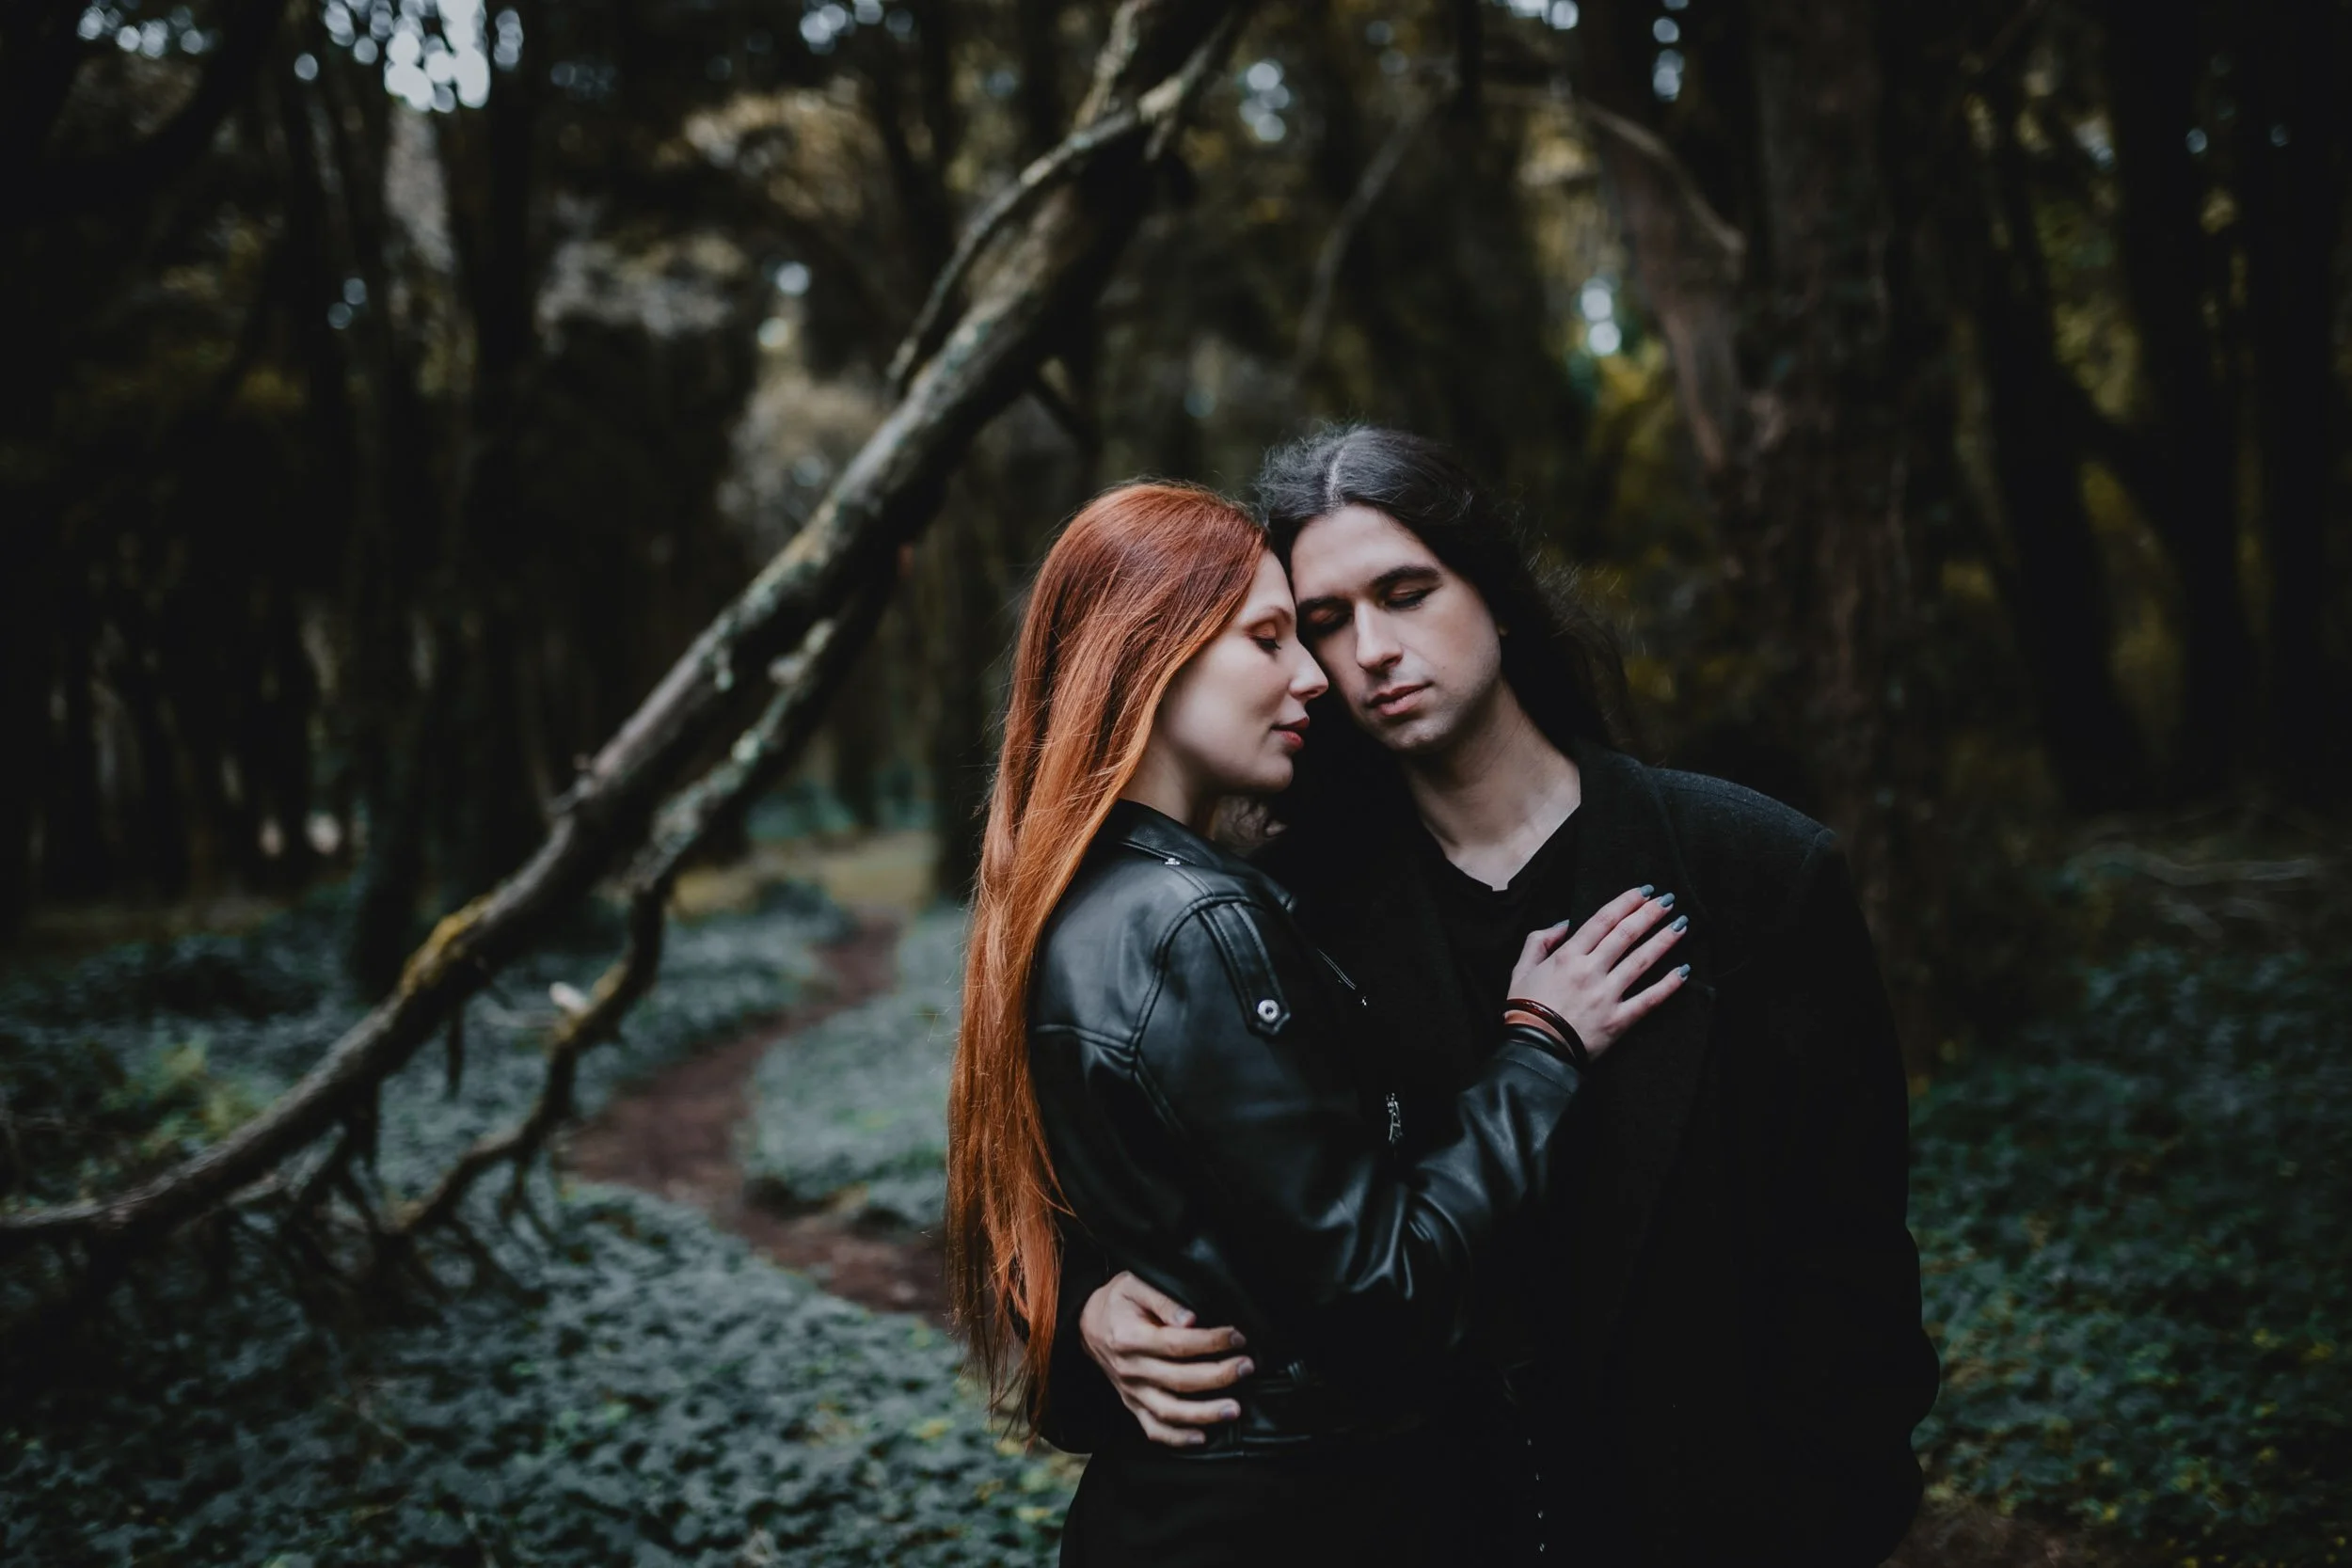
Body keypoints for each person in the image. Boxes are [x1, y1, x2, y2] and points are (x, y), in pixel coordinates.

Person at [1055, 430, 1941, 1566]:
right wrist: (1090, 1313)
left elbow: (1853, 1257)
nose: (1370, 648)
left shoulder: (1755, 871)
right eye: (1323, 619)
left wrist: (1825, 1510)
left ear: (1498, 595)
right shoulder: (1282, 920)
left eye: (1406, 591)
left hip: (1721, 1516)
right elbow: (1132, 1182)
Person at [946, 480, 1688, 1567]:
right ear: (1150, 654)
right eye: (1270, 637)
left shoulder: (1083, 900)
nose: (1314, 677)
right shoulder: (1196, 919)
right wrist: (1540, 1043)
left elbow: (1154, 1196)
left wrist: (1097, 1297)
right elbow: (1383, 1296)